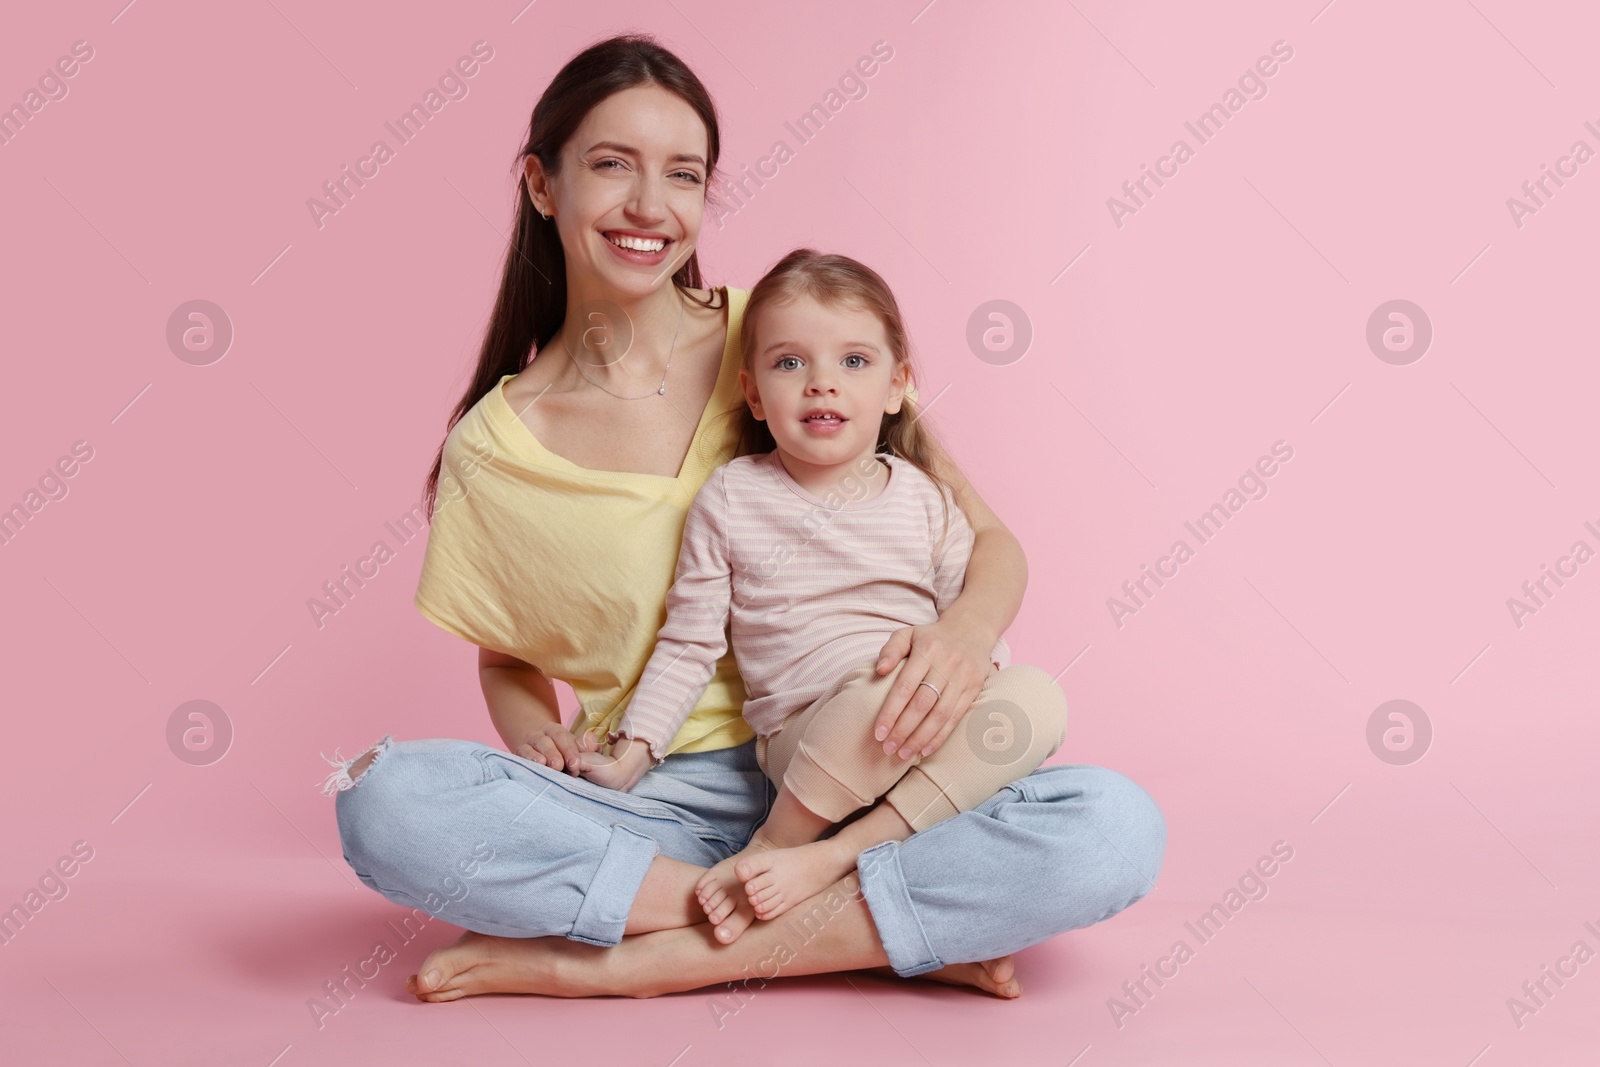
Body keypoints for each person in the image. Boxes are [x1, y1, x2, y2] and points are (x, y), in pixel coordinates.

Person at [325, 32, 1166, 1002]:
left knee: (1112, 824)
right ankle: (867, 925)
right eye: (611, 166)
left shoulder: (786, 338)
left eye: (682, 174)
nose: (650, 206)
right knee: (385, 800)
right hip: (661, 798)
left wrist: (965, 638)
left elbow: (985, 539)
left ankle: (635, 958)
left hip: (880, 754)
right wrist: (538, 740)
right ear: (542, 184)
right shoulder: (493, 447)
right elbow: (505, 655)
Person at [574, 248, 1068, 947]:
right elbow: (688, 642)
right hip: (814, 737)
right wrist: (633, 751)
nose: (822, 385)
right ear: (753, 394)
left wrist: (969, 682)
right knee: (883, 692)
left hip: (917, 724)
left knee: (1038, 695)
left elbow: (967, 624)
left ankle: (828, 856)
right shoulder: (733, 497)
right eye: (789, 363)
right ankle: (779, 838)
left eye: (855, 363)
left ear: (898, 386)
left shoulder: (924, 497)